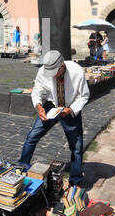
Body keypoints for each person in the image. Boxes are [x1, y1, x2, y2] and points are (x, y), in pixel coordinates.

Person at [19, 50, 90, 186]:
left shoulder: (77, 71)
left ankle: (75, 180)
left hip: (70, 108)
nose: (53, 76)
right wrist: (39, 106)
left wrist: (71, 110)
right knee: (32, 136)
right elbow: (37, 90)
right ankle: (22, 167)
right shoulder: (42, 71)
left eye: (55, 72)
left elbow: (83, 96)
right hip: (51, 105)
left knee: (76, 145)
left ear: (62, 65)